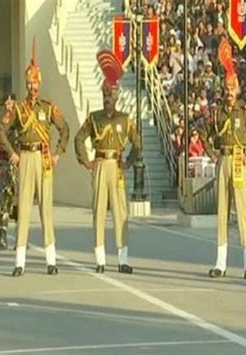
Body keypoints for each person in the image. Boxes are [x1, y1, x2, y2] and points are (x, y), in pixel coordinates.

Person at [0, 37, 70, 277]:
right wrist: (13, 154)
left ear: (40, 83)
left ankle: (51, 260)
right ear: (26, 84)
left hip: (44, 157)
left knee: (46, 210)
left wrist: (58, 153)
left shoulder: (48, 108)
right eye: (29, 83)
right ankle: (20, 262)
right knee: (24, 209)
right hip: (25, 158)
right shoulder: (18, 109)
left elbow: (65, 129)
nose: (33, 87)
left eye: (36, 83)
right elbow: (1, 131)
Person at [202, 39, 246, 280]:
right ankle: (220, 262)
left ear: (238, 88)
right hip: (224, 161)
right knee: (221, 212)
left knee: (242, 211)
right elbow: (203, 132)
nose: (229, 92)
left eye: (233, 87)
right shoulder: (218, 112)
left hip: (240, 161)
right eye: (226, 88)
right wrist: (212, 154)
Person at [74, 49, 141, 274]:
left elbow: (138, 143)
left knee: (121, 212)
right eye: (104, 97)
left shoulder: (125, 119)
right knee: (99, 210)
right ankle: (100, 258)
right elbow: (79, 138)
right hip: (101, 165)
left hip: (118, 166)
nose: (107, 101)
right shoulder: (94, 118)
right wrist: (86, 161)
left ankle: (123, 259)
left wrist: (129, 162)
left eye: (110, 97)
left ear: (117, 97)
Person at [0, 95, 19, 251]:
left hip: (20, 166)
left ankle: (21, 239)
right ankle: (3, 237)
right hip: (11, 166)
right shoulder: (8, 120)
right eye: (5, 103)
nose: (7, 106)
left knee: (18, 202)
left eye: (9, 103)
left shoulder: (19, 118)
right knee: (6, 201)